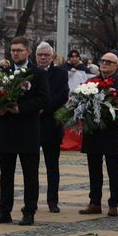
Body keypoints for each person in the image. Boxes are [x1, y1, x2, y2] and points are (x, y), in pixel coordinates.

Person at [0, 37, 50, 226]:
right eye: (13, 50)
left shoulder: (37, 73)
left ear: (28, 51)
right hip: (7, 129)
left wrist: (21, 109)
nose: (15, 53)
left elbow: (44, 99)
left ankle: (29, 211)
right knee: (5, 173)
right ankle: (4, 210)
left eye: (19, 50)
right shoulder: (4, 72)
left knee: (30, 174)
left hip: (28, 130)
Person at [80, 51, 118, 216]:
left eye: (109, 62)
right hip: (93, 132)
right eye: (103, 61)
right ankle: (95, 202)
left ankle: (113, 203)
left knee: (113, 170)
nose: (105, 64)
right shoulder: (91, 81)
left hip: (112, 132)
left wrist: (112, 113)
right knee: (94, 169)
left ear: (117, 66)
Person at [31, 42, 69, 213]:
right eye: (40, 55)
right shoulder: (28, 72)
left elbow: (62, 96)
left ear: (52, 57)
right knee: (31, 166)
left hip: (51, 124)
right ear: (35, 56)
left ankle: (52, 200)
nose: (43, 58)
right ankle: (31, 200)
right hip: (31, 124)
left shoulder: (60, 73)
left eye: (46, 55)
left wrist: (42, 107)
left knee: (52, 166)